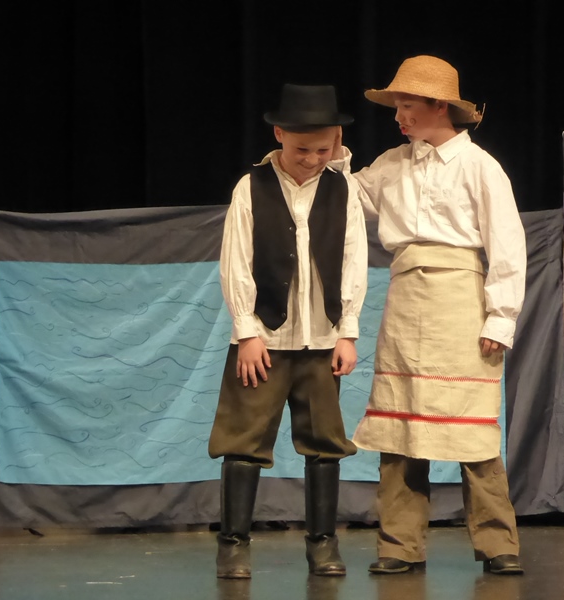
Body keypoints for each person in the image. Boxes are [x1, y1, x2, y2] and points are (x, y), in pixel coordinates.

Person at [336, 55, 527, 575]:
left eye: (407, 106)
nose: (399, 116)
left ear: (439, 105)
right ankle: (399, 544)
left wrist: (500, 317)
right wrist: (334, 155)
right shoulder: (392, 163)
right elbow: (348, 196)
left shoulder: (479, 166)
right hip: (406, 298)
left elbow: (507, 245)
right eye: (396, 106)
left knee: (472, 429)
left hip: (459, 300)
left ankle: (498, 543)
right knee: (400, 430)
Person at [208, 83, 368, 579]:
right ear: (279, 135)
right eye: (302, 150)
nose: (312, 159)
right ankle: (233, 544)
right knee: (243, 438)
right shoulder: (251, 186)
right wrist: (246, 330)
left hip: (321, 338)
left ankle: (323, 544)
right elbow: (236, 260)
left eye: (323, 149)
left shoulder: (342, 189)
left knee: (325, 441)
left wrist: (347, 331)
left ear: (336, 140)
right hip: (265, 338)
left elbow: (353, 259)